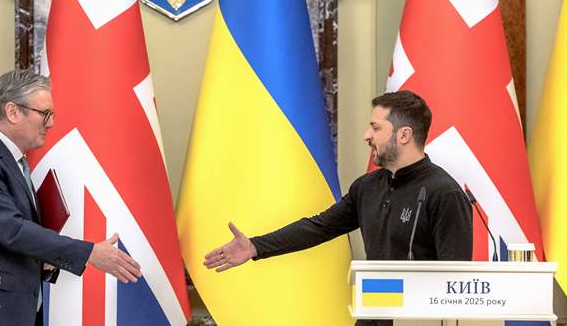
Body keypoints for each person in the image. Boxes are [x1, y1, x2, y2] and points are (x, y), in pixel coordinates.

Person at [203, 90, 473, 326]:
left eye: (376, 128)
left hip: (418, 322)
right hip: (371, 315)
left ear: (404, 135)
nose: (366, 135)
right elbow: (318, 227)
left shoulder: (444, 194)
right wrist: (255, 246)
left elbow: (455, 282)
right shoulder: (367, 187)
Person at [0, 70, 142, 326]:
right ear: (12, 112)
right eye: (44, 113)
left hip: (16, 309)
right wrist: (89, 252)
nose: (51, 123)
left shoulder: (13, 162)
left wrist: (42, 260)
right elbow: (12, 230)